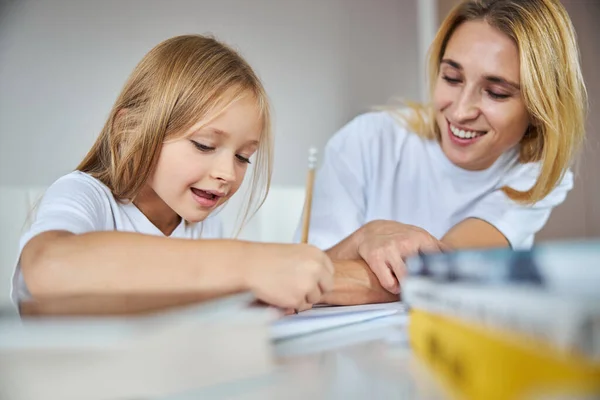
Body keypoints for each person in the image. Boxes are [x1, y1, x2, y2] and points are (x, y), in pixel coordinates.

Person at [13, 34, 335, 313]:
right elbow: (47, 266)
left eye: (242, 157)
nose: (227, 173)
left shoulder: (207, 227)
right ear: (129, 131)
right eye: (204, 145)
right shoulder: (85, 196)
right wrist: (245, 264)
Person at [299, 0, 587, 296]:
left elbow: (440, 272)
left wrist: (313, 277)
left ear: (539, 109)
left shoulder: (535, 176)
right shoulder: (366, 140)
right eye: (452, 77)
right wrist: (363, 237)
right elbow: (294, 271)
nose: (461, 111)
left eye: (496, 93)